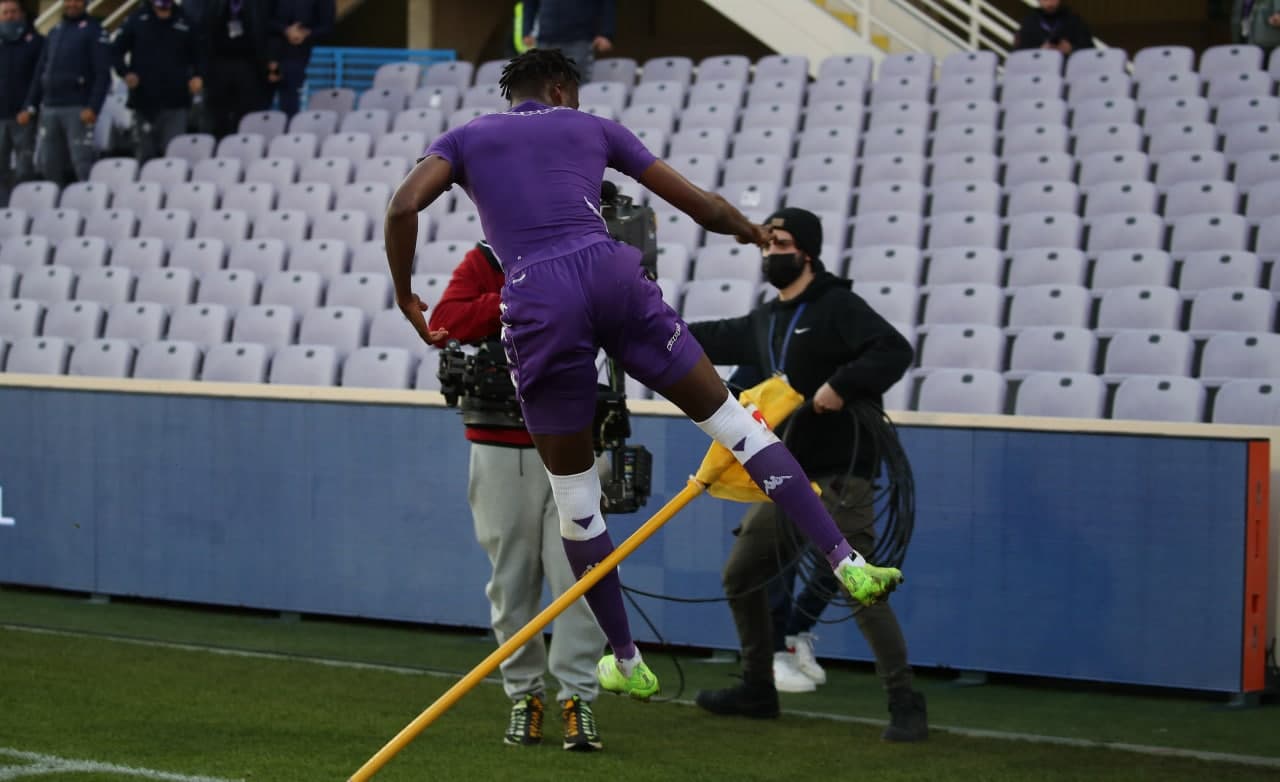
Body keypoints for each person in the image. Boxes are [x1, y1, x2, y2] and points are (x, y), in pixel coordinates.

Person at [384, 49, 903, 705]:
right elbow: (702, 206)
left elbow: (404, 207)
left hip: (539, 293)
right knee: (738, 425)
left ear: (511, 93)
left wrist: (407, 295)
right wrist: (747, 230)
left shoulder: (466, 138)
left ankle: (626, 659)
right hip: (612, 270)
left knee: (575, 499)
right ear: (562, 88)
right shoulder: (594, 128)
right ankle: (847, 561)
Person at [686, 207, 928, 742]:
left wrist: (841, 385)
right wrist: (639, 326)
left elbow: (894, 348)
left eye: (782, 244)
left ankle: (905, 700)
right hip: (783, 479)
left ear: (808, 253)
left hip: (840, 473)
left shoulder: (837, 306)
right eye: (767, 245)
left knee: (859, 585)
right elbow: (701, 337)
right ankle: (757, 688)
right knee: (741, 575)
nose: (771, 252)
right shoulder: (764, 320)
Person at [426, 240, 608, 752]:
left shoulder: (592, 251)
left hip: (579, 436)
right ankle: (524, 696)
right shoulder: (487, 258)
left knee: (580, 578)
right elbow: (446, 321)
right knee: (511, 579)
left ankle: (578, 698)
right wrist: (518, 298)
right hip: (500, 440)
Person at [21, 0, 109, 185]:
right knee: (48, 162)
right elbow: (40, 72)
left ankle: (89, 202)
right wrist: (29, 105)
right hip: (50, 107)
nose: (72, 4)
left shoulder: (94, 30)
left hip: (78, 107)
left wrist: (93, 107)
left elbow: (103, 74)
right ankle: (54, 206)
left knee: (82, 162)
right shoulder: (55, 31)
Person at [112, 0, 204, 163]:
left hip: (176, 102)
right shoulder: (136, 18)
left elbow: (200, 55)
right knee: (145, 157)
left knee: (174, 157)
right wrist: (125, 74)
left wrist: (198, 76)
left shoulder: (186, 20)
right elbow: (115, 52)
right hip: (144, 102)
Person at [200, 0, 272, 138]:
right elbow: (205, 32)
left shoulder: (257, 4)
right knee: (218, 114)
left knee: (246, 113)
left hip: (247, 65)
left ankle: (243, 147)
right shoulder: (215, 4)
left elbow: (264, 33)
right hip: (219, 65)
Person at [0, 0, 42, 197]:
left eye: (13, 12)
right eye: (5, 13)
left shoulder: (36, 41)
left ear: (22, 14)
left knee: (24, 167)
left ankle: (24, 206)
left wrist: (29, 107)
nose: (9, 16)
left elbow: (39, 78)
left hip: (23, 116)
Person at [521, 0, 614, 83]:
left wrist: (606, 34)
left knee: (578, 87)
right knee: (544, 87)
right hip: (546, 39)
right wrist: (526, 30)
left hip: (580, 40)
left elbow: (607, 3)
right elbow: (529, 3)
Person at [268, 0, 334, 117]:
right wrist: (285, 30)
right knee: (258, 100)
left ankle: (287, 132)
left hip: (297, 55)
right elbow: (261, 17)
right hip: (265, 54)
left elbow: (327, 26)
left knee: (289, 99)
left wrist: (306, 33)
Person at [1011, 0, 1094, 54]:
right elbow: (1018, 55)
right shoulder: (1029, 23)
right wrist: (1040, 51)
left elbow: (1091, 52)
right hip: (1037, 72)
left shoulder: (1074, 21)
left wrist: (1071, 49)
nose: (1050, 2)